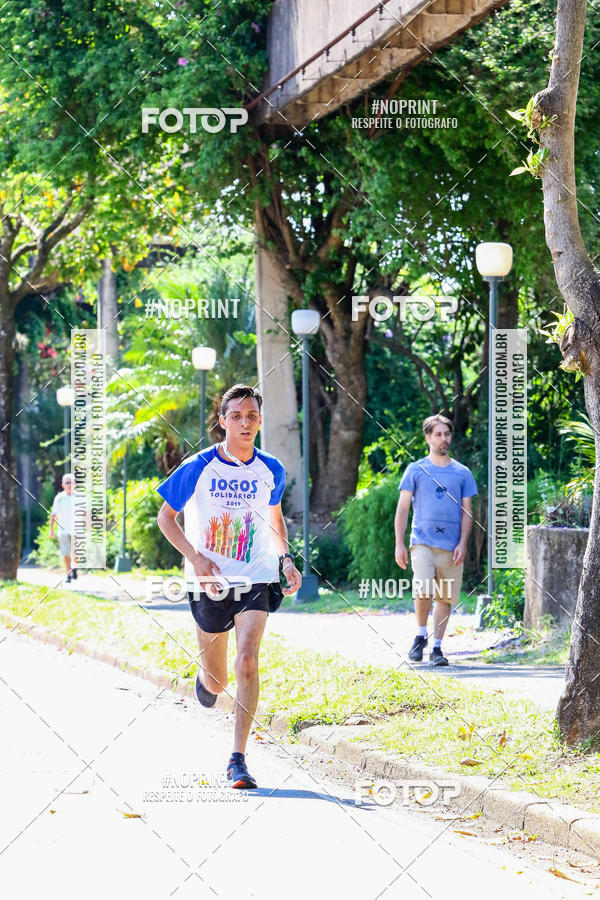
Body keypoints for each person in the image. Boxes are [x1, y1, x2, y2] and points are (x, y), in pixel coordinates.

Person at [156, 384, 302, 789]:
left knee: (248, 659)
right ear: (223, 422)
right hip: (210, 580)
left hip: (256, 575)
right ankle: (206, 682)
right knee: (218, 681)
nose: (244, 423)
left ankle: (237, 758)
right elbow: (166, 518)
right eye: (235, 416)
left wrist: (286, 560)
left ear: (259, 421)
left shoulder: (271, 468)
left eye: (251, 416)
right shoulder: (199, 466)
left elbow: (274, 518)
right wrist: (196, 557)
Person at [395, 415, 478, 666]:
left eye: (447, 434)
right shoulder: (415, 470)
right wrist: (399, 543)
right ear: (428, 438)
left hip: (451, 546)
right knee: (423, 587)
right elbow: (402, 509)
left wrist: (463, 543)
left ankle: (437, 648)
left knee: (445, 597)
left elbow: (467, 511)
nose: (444, 439)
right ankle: (420, 635)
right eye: (439, 434)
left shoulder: (462, 473)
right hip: (422, 541)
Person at [49, 473, 77, 583]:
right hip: (63, 530)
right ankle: (68, 573)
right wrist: (51, 530)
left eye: (71, 482)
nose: (69, 484)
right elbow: (54, 515)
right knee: (65, 553)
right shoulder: (59, 498)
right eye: (67, 482)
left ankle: (74, 567)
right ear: (63, 485)